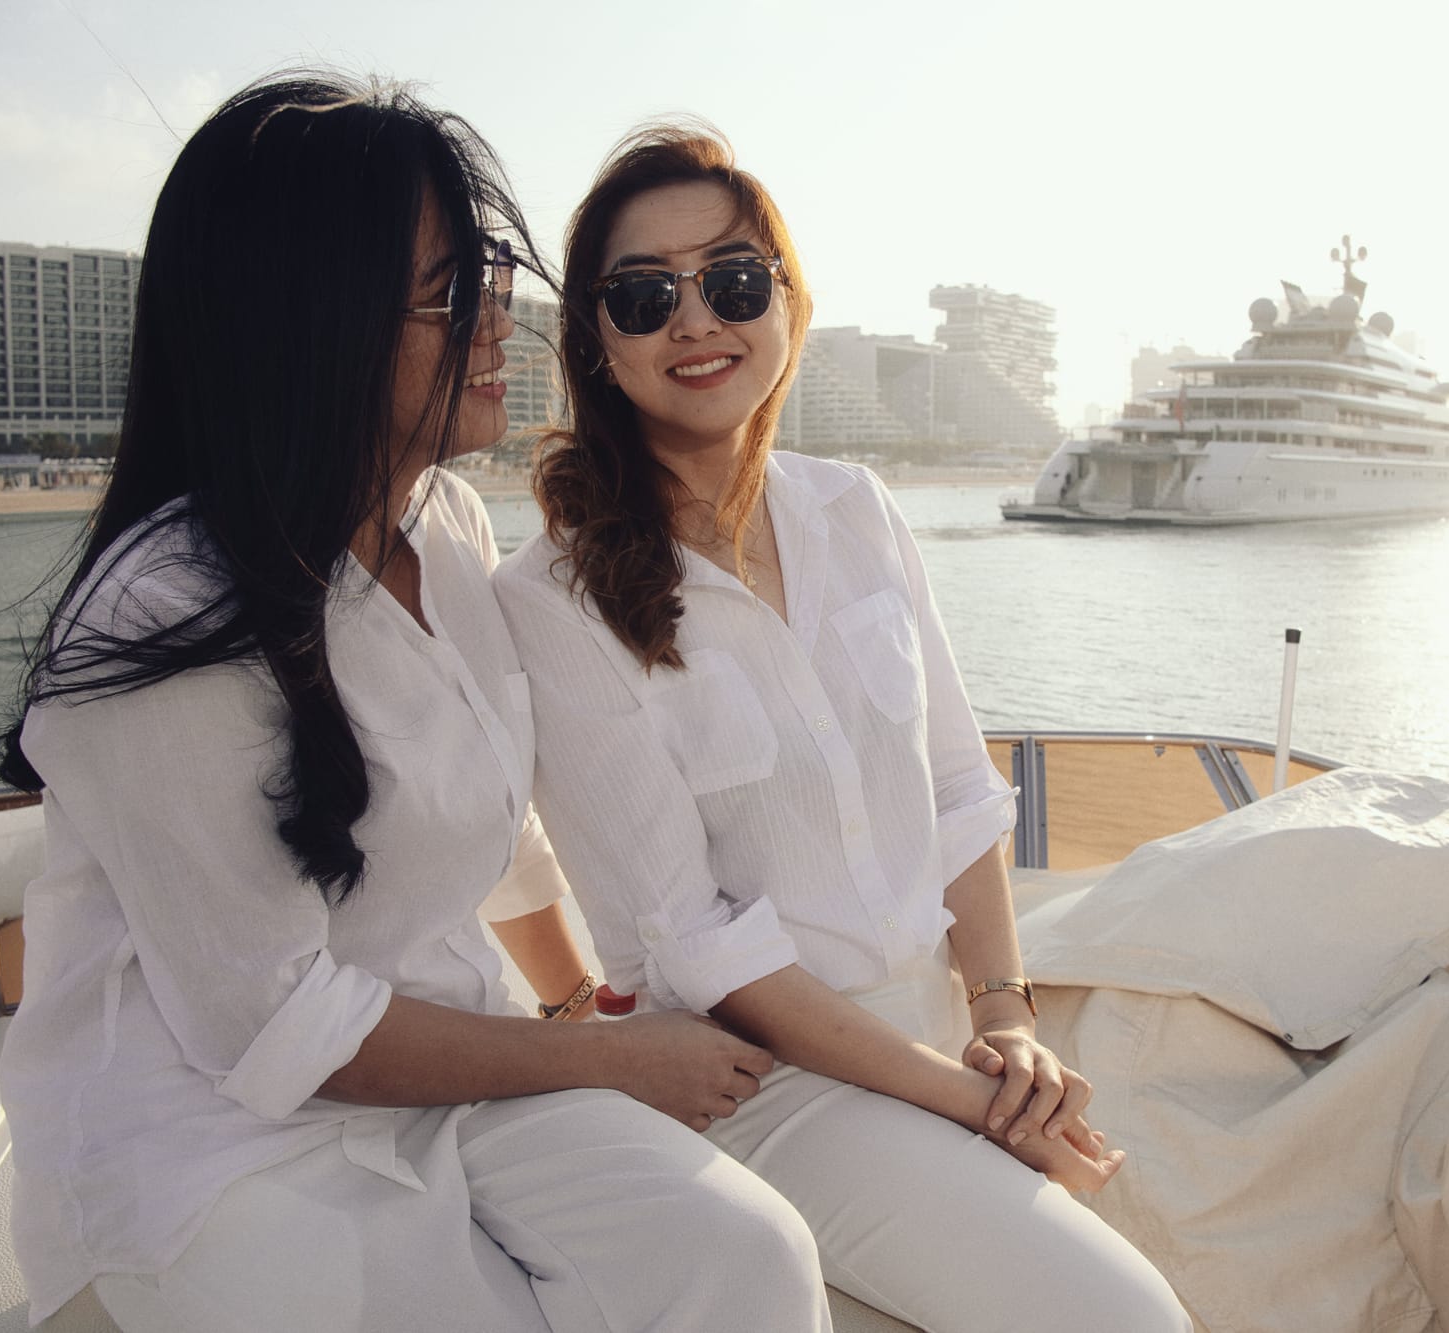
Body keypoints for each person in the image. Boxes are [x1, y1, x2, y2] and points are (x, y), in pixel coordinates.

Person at [0, 76, 828, 1333]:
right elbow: (276, 1029)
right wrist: (603, 1058)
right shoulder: (159, 613)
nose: (500, 320)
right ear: (308, 324)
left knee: (745, 1251)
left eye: (491, 276)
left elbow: (503, 828)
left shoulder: (441, 524)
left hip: (461, 1071)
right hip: (209, 1147)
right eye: (450, 294)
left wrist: (578, 1006)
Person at [493, 123, 1192, 1332]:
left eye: (731, 280)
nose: (695, 321)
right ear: (597, 341)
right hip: (763, 1082)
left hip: (935, 1024)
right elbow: (694, 943)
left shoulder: (854, 508)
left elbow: (956, 786)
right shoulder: (552, 598)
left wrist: (1003, 1017)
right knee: (1126, 1318)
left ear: (787, 299)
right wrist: (972, 1107)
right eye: (645, 295)